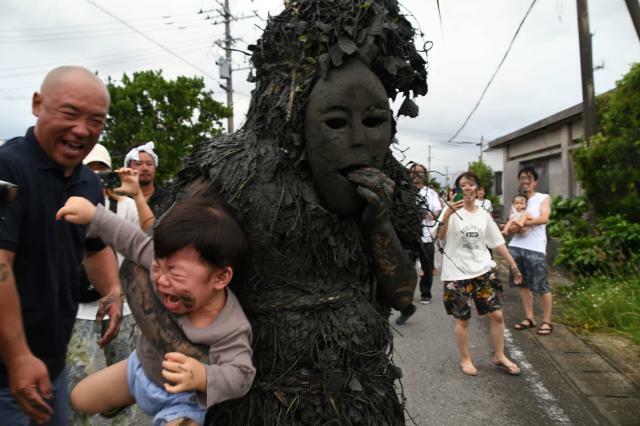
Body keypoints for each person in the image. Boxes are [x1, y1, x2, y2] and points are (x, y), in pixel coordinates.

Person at [56, 195, 256, 425]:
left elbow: (242, 375)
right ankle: (129, 398)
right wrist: (94, 216)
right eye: (156, 267)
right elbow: (133, 240)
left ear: (221, 277)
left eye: (175, 274)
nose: (161, 280)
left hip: (180, 400)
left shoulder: (230, 326)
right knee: (80, 398)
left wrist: (203, 377)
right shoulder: (167, 262)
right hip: (139, 366)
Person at [0, 66, 124, 425]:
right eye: (70, 113)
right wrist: (19, 356)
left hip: (49, 367)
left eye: (96, 120)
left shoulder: (87, 182)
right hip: (9, 374)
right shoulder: (8, 169)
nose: (82, 130)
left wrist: (113, 290)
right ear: (38, 104)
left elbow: (95, 245)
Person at [67, 143, 152, 425]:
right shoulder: (68, 203)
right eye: (90, 170)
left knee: (126, 383)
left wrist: (135, 191)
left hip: (123, 306)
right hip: (81, 307)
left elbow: (145, 242)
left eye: (102, 171)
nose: (96, 177)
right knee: (79, 380)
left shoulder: (124, 205)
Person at [437, 171, 522, 376]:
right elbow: (440, 237)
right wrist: (447, 214)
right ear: (457, 190)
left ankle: (500, 355)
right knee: (462, 319)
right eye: (463, 185)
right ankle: (466, 359)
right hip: (456, 274)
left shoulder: (484, 215)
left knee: (497, 315)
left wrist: (513, 265)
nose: (467, 188)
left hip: (483, 271)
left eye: (471, 184)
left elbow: (497, 242)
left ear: (478, 190)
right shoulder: (449, 212)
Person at [508, 167, 553, 336]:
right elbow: (511, 224)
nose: (525, 181)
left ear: (535, 181)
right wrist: (514, 228)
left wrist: (523, 223)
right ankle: (530, 318)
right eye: (522, 178)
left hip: (535, 248)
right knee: (522, 285)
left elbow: (544, 218)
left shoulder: (543, 198)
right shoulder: (517, 201)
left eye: (528, 178)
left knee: (541, 286)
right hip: (516, 247)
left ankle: (547, 321)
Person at [402, 162, 442, 313]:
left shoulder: (430, 192)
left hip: (426, 236)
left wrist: (431, 215)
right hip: (409, 235)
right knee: (407, 267)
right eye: (413, 172)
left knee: (427, 266)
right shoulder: (405, 191)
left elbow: (437, 209)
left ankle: (426, 293)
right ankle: (406, 295)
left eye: (419, 172)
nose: (416, 175)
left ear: (424, 175)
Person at [124, 142, 173, 218]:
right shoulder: (121, 200)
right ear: (128, 168)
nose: (145, 169)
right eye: (138, 164)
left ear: (155, 167)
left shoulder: (169, 199)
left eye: (149, 164)